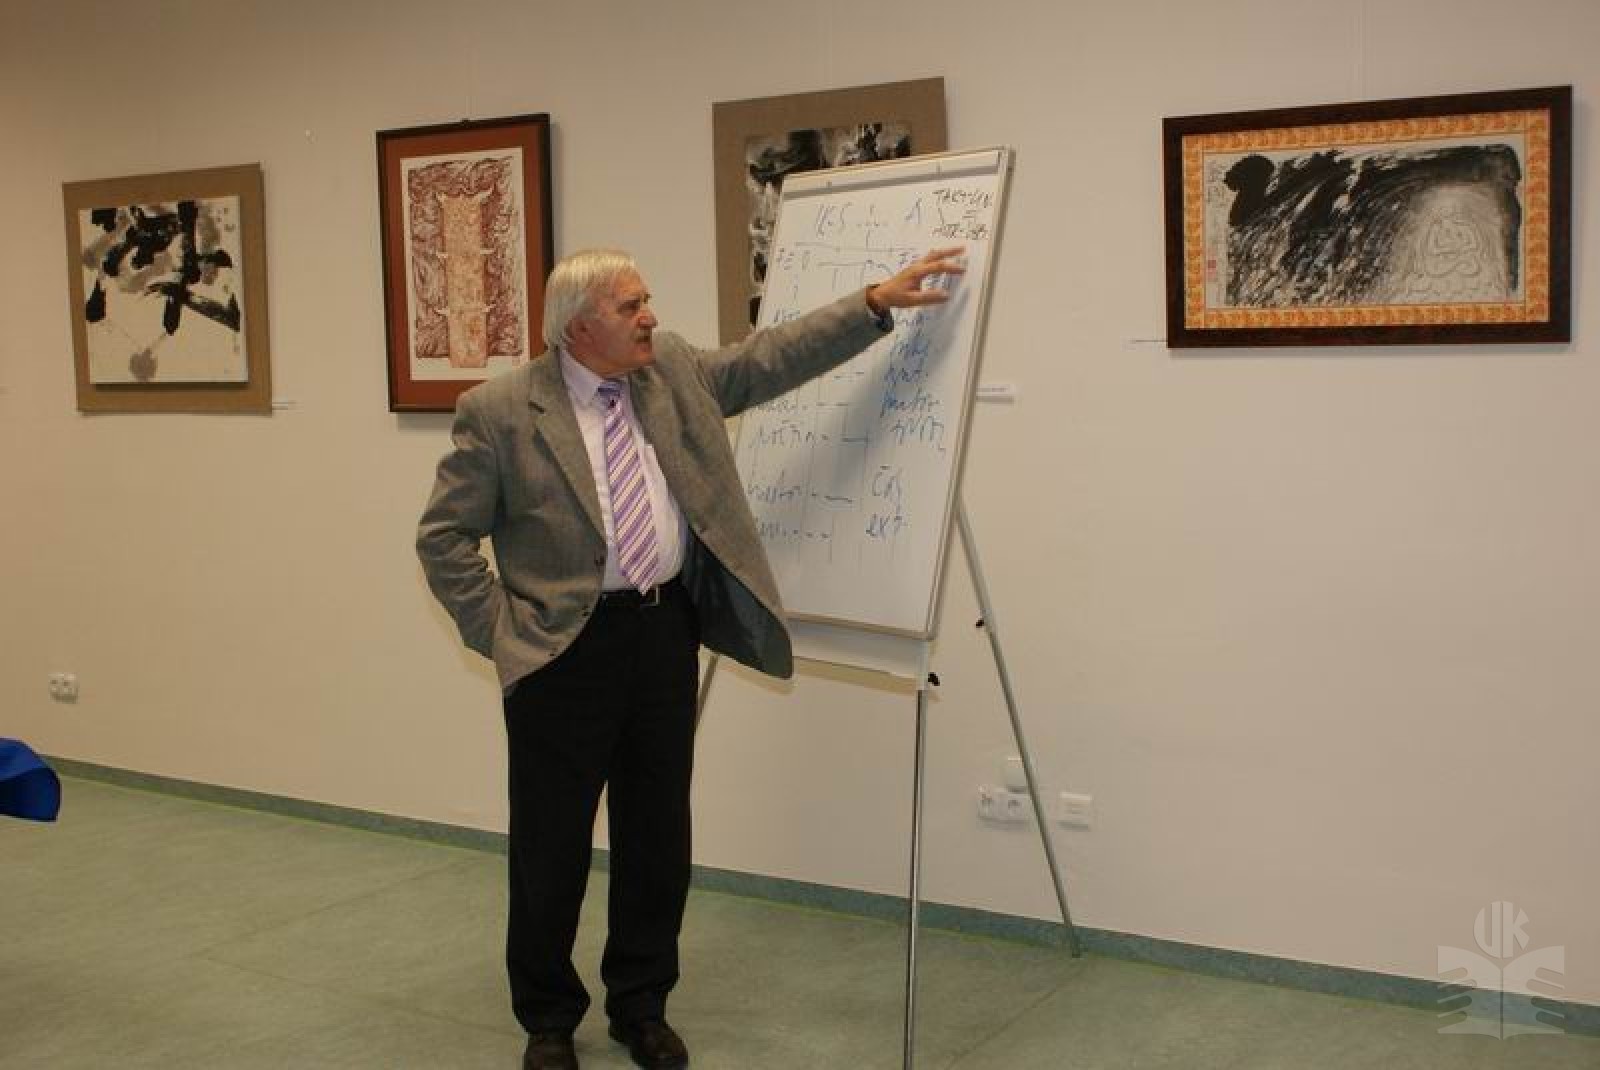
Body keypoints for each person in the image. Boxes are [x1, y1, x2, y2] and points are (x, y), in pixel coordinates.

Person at [417, 244, 964, 1070]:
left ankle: (641, 1004)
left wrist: (873, 303)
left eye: (646, 300)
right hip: (561, 651)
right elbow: (442, 538)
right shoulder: (499, 411)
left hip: (661, 633)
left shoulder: (669, 370)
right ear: (579, 327)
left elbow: (768, 359)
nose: (651, 318)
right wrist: (504, 630)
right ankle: (548, 1018)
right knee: (550, 846)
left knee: (656, 836)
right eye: (631, 306)